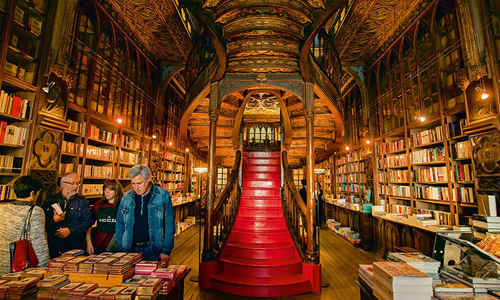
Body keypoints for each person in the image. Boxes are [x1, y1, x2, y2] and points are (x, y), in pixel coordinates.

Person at [116, 165, 175, 264]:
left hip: (154, 250)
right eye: (133, 184)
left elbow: (169, 224)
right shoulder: (127, 197)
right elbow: (120, 224)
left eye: (139, 183)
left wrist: (166, 250)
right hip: (130, 249)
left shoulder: (162, 195)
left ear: (148, 179)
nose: (136, 187)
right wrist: (121, 248)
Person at [0, 176, 49, 273]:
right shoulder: (35, 211)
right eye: (38, 193)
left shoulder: (2, 209)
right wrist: (45, 267)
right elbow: (39, 242)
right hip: (19, 264)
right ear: (32, 193)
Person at [42, 172, 93, 258]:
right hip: (54, 247)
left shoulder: (82, 201)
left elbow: (88, 222)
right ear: (62, 184)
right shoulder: (50, 201)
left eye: (77, 183)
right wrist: (54, 221)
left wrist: (70, 231)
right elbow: (42, 225)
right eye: (72, 183)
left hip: (75, 247)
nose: (76, 186)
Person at [86, 179, 124, 255]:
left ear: (117, 190)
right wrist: (89, 243)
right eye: (105, 189)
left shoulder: (123, 205)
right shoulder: (98, 205)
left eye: (110, 190)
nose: (106, 192)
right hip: (99, 244)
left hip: (117, 245)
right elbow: (88, 225)